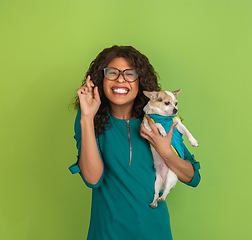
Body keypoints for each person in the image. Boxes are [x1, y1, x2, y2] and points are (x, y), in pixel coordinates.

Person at [69, 45, 201, 240]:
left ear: (140, 82)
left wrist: (166, 152)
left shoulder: (158, 122)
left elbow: (193, 177)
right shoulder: (90, 121)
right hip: (106, 234)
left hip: (156, 233)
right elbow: (92, 179)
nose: (121, 79)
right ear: (101, 80)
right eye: (112, 73)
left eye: (130, 74)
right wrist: (87, 118)